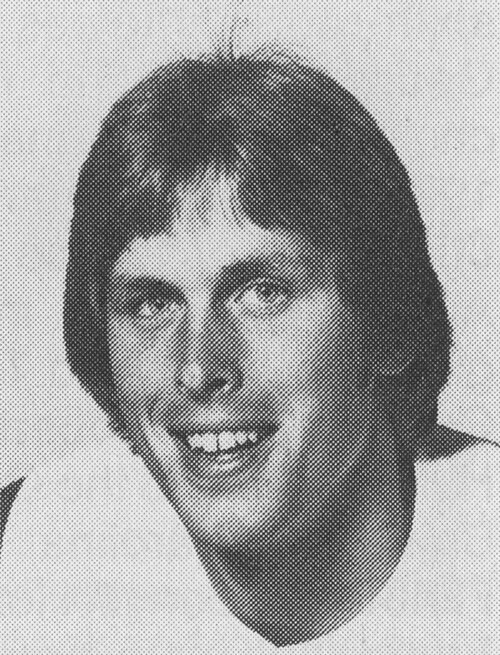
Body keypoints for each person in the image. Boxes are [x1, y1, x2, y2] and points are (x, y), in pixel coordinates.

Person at [0, 53, 498, 654]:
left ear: (387, 322)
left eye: (262, 294)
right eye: (152, 305)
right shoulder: (27, 551)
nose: (199, 367)